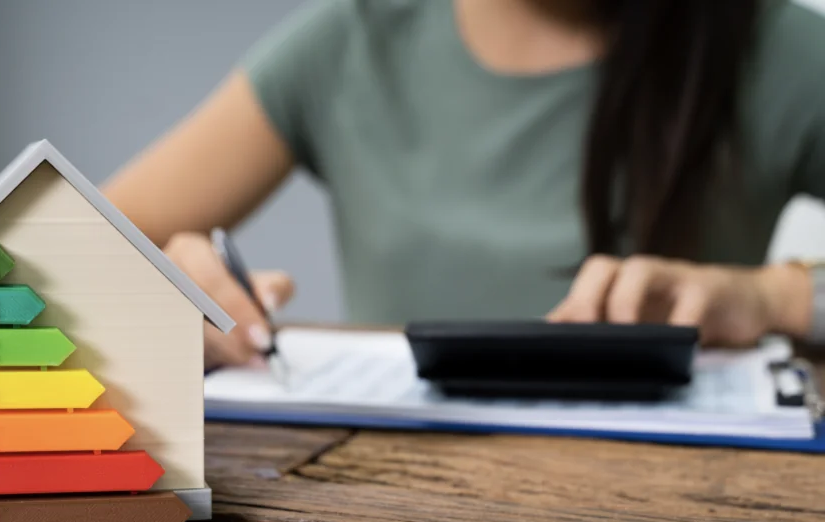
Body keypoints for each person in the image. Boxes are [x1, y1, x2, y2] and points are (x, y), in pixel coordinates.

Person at [102, 0, 825, 369]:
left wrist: (776, 296)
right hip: (389, 512)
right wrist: (155, 292)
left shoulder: (783, 51)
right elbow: (55, 255)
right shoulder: (353, 40)